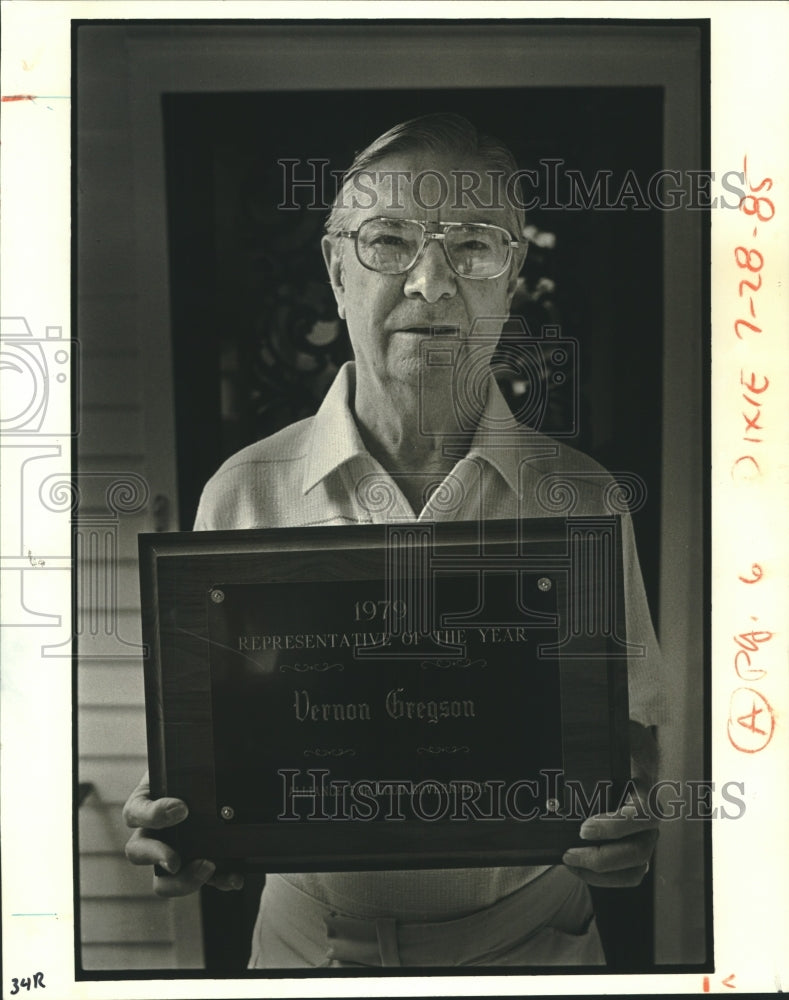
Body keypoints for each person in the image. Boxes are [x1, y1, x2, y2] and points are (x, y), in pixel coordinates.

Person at [124, 113, 664, 968]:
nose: (431, 282)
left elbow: (632, 735)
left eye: (475, 246)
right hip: (307, 955)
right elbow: (215, 739)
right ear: (336, 272)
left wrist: (636, 814)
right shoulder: (242, 490)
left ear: (511, 278)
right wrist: (180, 816)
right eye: (388, 241)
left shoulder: (584, 497)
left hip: (535, 954)